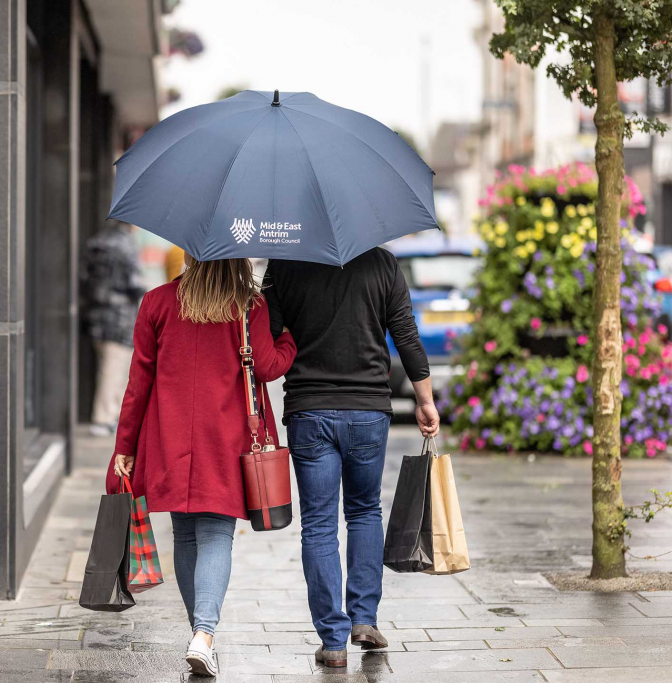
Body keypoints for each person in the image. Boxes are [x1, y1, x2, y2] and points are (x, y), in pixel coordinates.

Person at [107, 256, 296, 676]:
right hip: (225, 438)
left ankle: (200, 634)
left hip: (169, 437)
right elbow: (268, 367)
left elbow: (138, 382)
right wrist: (287, 340)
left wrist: (125, 446)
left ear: (191, 254)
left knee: (186, 535)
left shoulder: (157, 302)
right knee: (215, 535)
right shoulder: (248, 306)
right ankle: (203, 635)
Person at [263, 250, 439, 669]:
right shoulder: (383, 263)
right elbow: (406, 334)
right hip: (368, 410)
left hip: (308, 409)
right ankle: (364, 619)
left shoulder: (284, 263)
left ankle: (333, 640)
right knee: (363, 511)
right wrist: (425, 400)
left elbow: (268, 337)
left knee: (319, 523)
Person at [81, 221, 147, 436]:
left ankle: (112, 415)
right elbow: (135, 283)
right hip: (120, 318)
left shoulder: (97, 241)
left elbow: (84, 278)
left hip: (96, 315)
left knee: (107, 365)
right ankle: (104, 419)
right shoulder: (126, 244)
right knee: (114, 369)